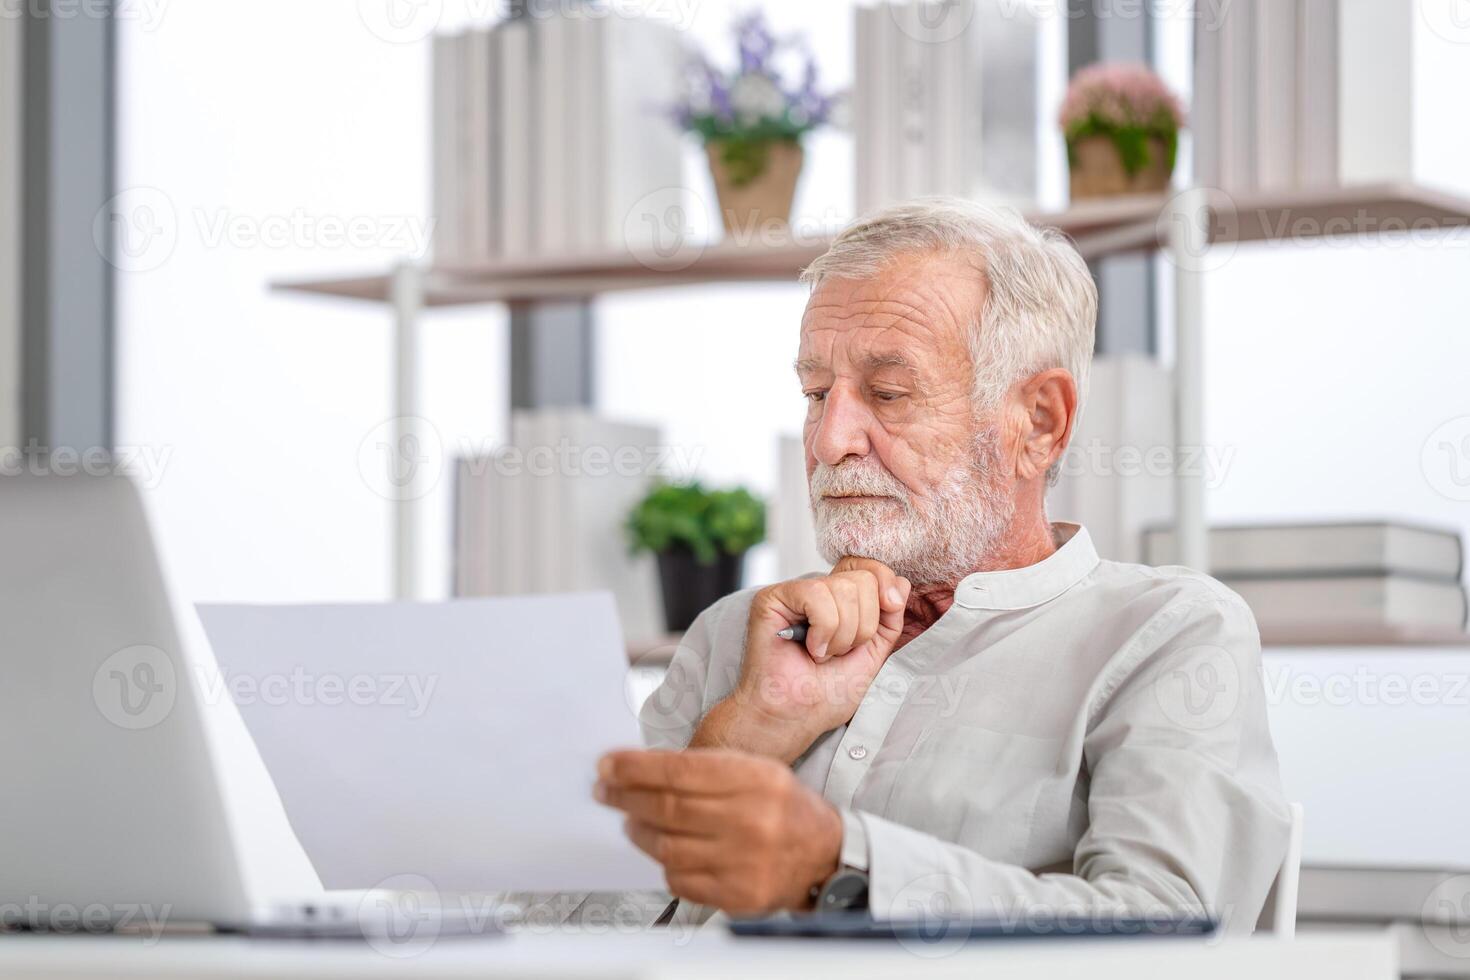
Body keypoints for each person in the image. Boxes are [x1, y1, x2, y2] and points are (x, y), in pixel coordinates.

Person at [595, 199, 1290, 931]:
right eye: (815, 393)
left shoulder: (1164, 635)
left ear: (1040, 422)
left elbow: (1170, 934)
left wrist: (836, 871)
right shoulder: (737, 634)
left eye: (889, 394)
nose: (830, 440)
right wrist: (749, 731)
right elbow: (565, 935)